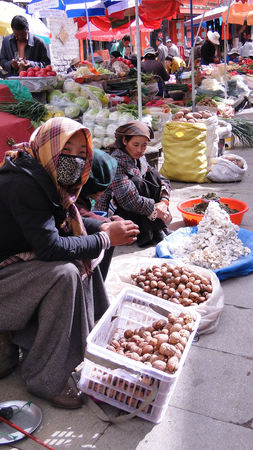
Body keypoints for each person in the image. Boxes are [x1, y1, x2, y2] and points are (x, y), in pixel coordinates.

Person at [0, 117, 139, 408]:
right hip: (6, 277)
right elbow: (50, 246)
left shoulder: (41, 174)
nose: (74, 161)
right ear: (48, 148)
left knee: (83, 254)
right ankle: (44, 380)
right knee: (65, 273)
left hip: (19, 263)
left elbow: (65, 219)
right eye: (67, 151)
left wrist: (100, 227)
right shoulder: (23, 183)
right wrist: (105, 239)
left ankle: (86, 337)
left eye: (80, 153)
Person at [95, 121, 172, 247]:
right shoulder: (116, 161)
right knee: (137, 182)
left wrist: (164, 202)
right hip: (118, 211)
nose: (140, 150)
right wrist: (156, 211)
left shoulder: (140, 158)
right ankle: (147, 232)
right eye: (135, 145)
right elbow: (128, 199)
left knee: (153, 175)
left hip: (139, 208)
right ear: (125, 141)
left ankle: (155, 229)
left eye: (144, 146)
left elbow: (162, 180)